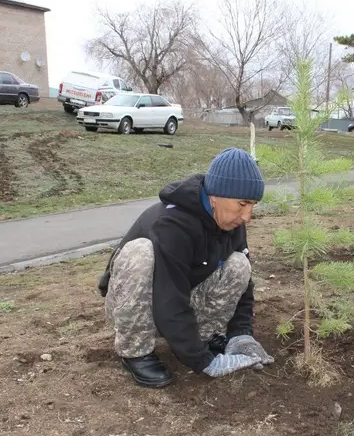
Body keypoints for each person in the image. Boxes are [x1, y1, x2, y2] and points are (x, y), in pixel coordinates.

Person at [97, 148, 274, 388]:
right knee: (140, 253)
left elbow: (245, 287)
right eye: (242, 204)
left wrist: (240, 334)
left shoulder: (230, 222)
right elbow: (169, 296)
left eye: (253, 205)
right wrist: (202, 362)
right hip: (135, 305)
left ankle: (199, 337)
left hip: (179, 297)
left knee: (239, 265)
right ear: (215, 196)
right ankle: (135, 351)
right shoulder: (172, 224)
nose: (247, 216)